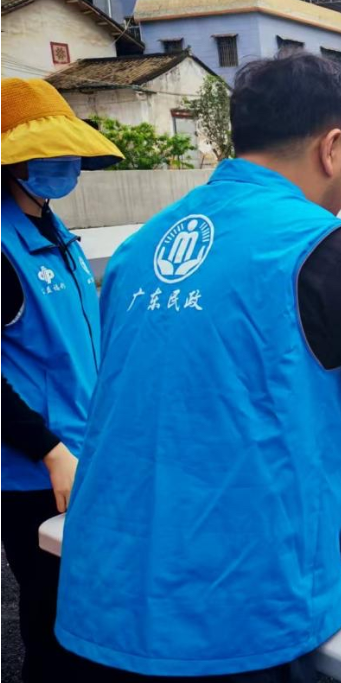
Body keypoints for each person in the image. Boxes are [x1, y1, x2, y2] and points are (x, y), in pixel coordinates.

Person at [55, 52, 341, 681]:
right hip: (235, 609)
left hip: (104, 586)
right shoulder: (333, 252)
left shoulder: (138, 246)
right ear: (332, 148)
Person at [1, 78, 124, 683]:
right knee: (51, 618)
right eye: (47, 153)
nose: (64, 164)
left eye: (68, 151)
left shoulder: (53, 231)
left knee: (89, 608)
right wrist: (49, 451)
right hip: (35, 472)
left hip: (83, 455)